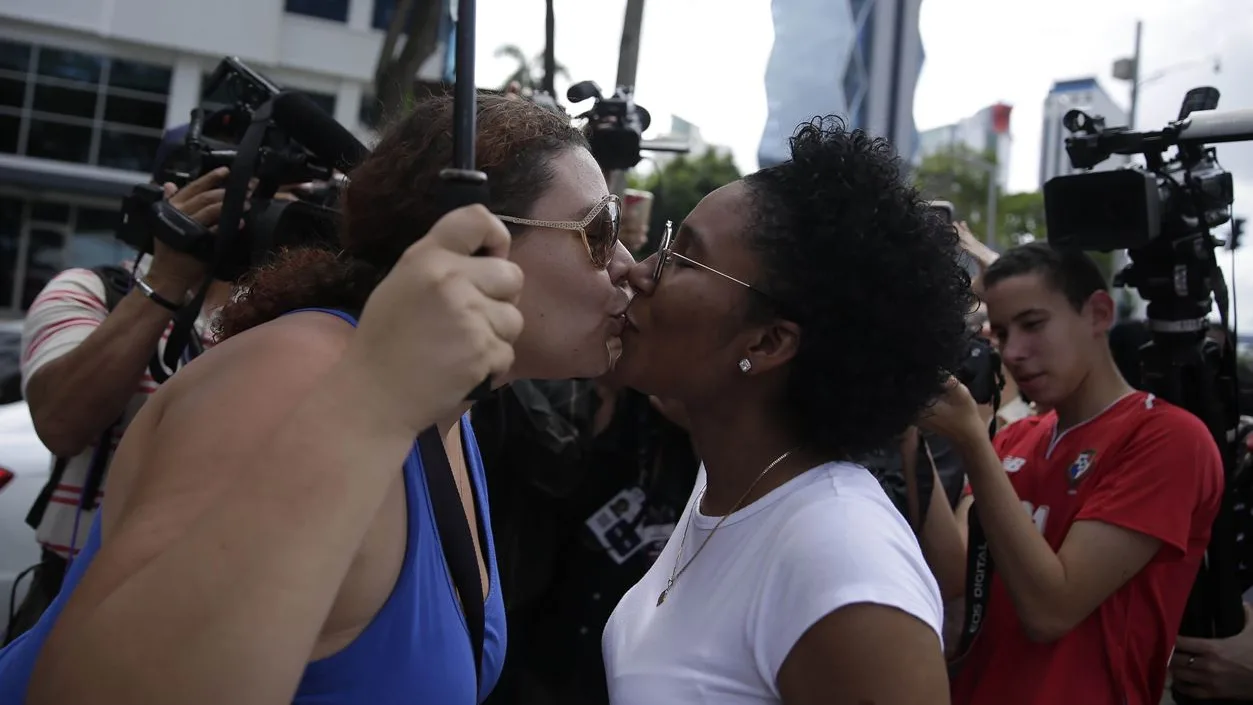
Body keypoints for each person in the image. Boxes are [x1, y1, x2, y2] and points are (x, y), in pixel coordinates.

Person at [0, 93, 633, 705]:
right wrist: (371, 404)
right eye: (600, 231)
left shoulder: (442, 410)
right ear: (473, 239)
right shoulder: (299, 376)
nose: (629, 264)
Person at [602, 117, 968, 704]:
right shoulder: (730, 484)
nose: (640, 270)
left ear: (767, 343)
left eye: (683, 257)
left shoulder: (844, 558)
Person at [926, 242, 1223, 705]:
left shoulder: (1167, 438)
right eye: (1001, 333)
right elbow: (951, 575)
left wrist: (970, 441)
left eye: (1033, 324)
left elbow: (1051, 611)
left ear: (1099, 314)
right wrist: (907, 437)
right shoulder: (1015, 437)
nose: (1014, 352)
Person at [5, 151, 232, 644]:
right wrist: (168, 277)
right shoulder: (91, 290)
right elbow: (61, 423)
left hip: (220, 611)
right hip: (79, 598)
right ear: (169, 200)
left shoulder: (292, 312)